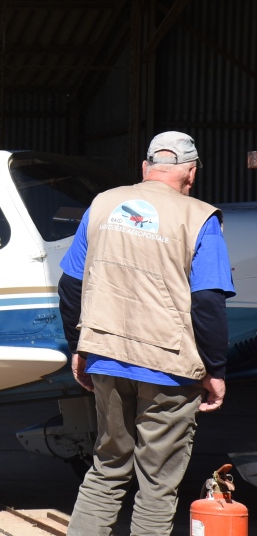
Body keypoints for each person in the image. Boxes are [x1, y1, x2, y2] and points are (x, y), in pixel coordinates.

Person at [58, 131, 234, 535]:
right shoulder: (200, 218)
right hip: (168, 367)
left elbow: (70, 286)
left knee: (106, 469)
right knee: (157, 484)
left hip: (105, 355)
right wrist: (216, 370)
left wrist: (79, 347)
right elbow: (207, 303)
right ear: (190, 173)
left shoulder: (102, 204)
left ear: (145, 168)